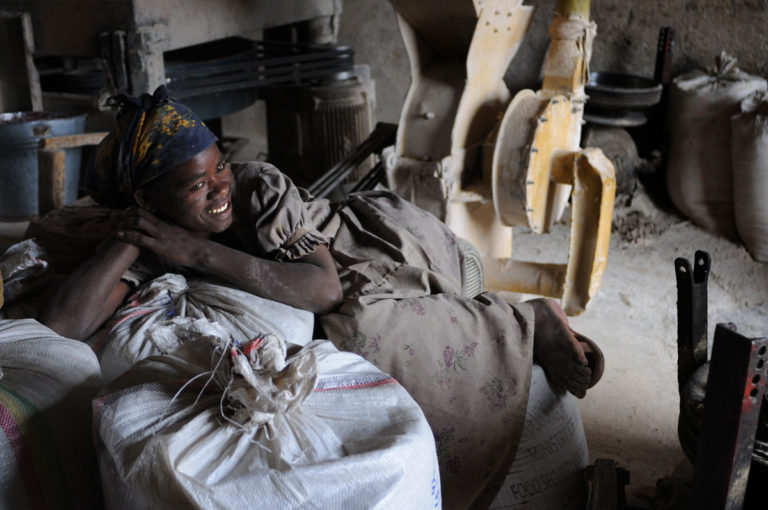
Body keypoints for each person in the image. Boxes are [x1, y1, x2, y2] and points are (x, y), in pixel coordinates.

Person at [38, 85, 603, 509]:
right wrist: (132, 233)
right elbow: (63, 325)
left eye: (220, 169)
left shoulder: (257, 188)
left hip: (368, 250)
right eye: (198, 185)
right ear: (147, 200)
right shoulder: (154, 232)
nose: (219, 190)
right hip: (286, 266)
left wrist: (198, 253)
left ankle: (528, 320)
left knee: (351, 334)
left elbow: (324, 287)